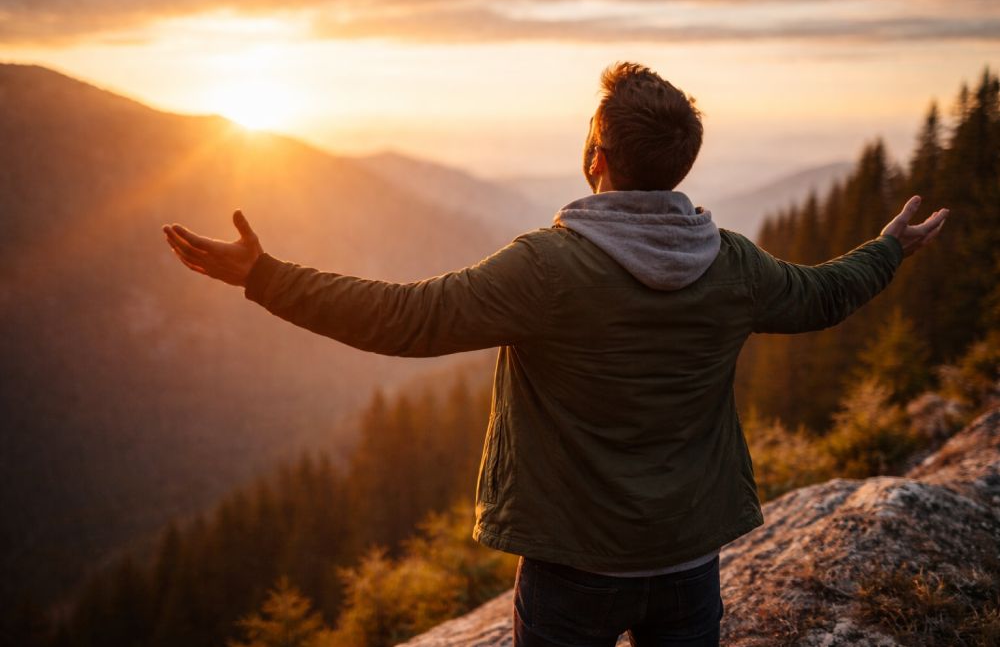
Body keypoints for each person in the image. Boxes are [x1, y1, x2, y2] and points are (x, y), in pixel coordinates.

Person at [162, 62, 949, 646]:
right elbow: (823, 295)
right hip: (685, 562)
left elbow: (404, 318)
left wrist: (264, 276)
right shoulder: (734, 265)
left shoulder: (548, 267)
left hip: (574, 572)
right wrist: (888, 249)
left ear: (596, 156)